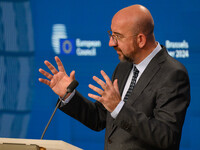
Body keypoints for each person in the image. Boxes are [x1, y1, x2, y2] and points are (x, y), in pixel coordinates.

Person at [39, 4, 190, 150]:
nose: (111, 43)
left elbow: (166, 137)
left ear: (140, 40)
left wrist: (119, 107)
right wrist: (69, 95)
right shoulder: (124, 66)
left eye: (117, 36)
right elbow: (99, 118)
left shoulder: (173, 74)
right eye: (111, 35)